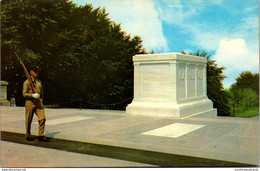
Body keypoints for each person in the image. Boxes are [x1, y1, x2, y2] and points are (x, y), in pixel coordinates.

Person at [22, 66, 49, 142]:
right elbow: (24, 94)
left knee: (42, 118)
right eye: (35, 71)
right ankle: (28, 135)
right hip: (30, 102)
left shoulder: (39, 81)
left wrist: (41, 100)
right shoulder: (27, 82)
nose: (37, 73)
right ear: (31, 72)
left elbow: (42, 92)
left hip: (38, 103)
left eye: (37, 71)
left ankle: (41, 135)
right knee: (28, 120)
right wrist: (32, 95)